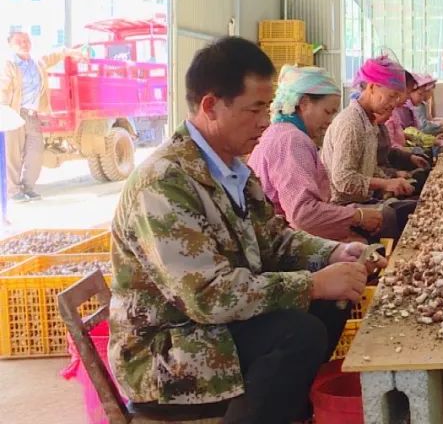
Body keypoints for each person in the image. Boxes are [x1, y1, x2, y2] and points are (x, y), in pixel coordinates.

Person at [109, 37, 382, 424]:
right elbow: (208, 296)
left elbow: (273, 238)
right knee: (298, 331)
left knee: (333, 301)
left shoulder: (234, 170)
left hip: (212, 327)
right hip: (167, 350)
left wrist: (333, 254)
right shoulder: (164, 183)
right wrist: (314, 283)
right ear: (210, 106)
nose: (265, 121)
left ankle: (281, 409)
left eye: (267, 108)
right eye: (254, 109)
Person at [247, 65, 385, 242]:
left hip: (281, 233)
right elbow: (302, 214)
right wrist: (356, 216)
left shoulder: (280, 132)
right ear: (304, 103)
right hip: (279, 240)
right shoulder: (291, 141)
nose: (329, 121)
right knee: (361, 249)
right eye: (327, 112)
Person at [322, 56, 416, 240]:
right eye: (391, 96)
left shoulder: (369, 122)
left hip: (362, 200)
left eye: (397, 97)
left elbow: (369, 169)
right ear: (372, 87)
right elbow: (342, 179)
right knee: (393, 217)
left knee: (410, 207)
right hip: (342, 207)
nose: (394, 103)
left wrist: (394, 181)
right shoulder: (351, 122)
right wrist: (386, 183)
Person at [1, 31, 83, 202]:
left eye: (26, 40)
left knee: (35, 153)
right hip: (14, 113)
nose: (24, 43)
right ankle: (12, 191)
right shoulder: (8, 65)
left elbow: (54, 55)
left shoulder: (37, 62)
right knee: (12, 155)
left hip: (33, 115)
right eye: (19, 41)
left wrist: (71, 51)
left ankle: (28, 187)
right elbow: (2, 88)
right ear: (10, 45)